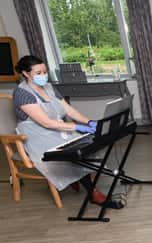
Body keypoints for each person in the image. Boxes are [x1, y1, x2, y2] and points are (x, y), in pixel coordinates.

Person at [12, 55, 122, 209]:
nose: (43, 75)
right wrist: (77, 127)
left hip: (58, 129)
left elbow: (68, 109)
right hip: (38, 135)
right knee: (72, 153)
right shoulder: (22, 93)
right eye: (38, 73)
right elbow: (45, 122)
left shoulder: (49, 87)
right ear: (25, 73)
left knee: (88, 144)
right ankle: (94, 194)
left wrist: (88, 122)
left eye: (45, 71)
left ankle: (80, 180)